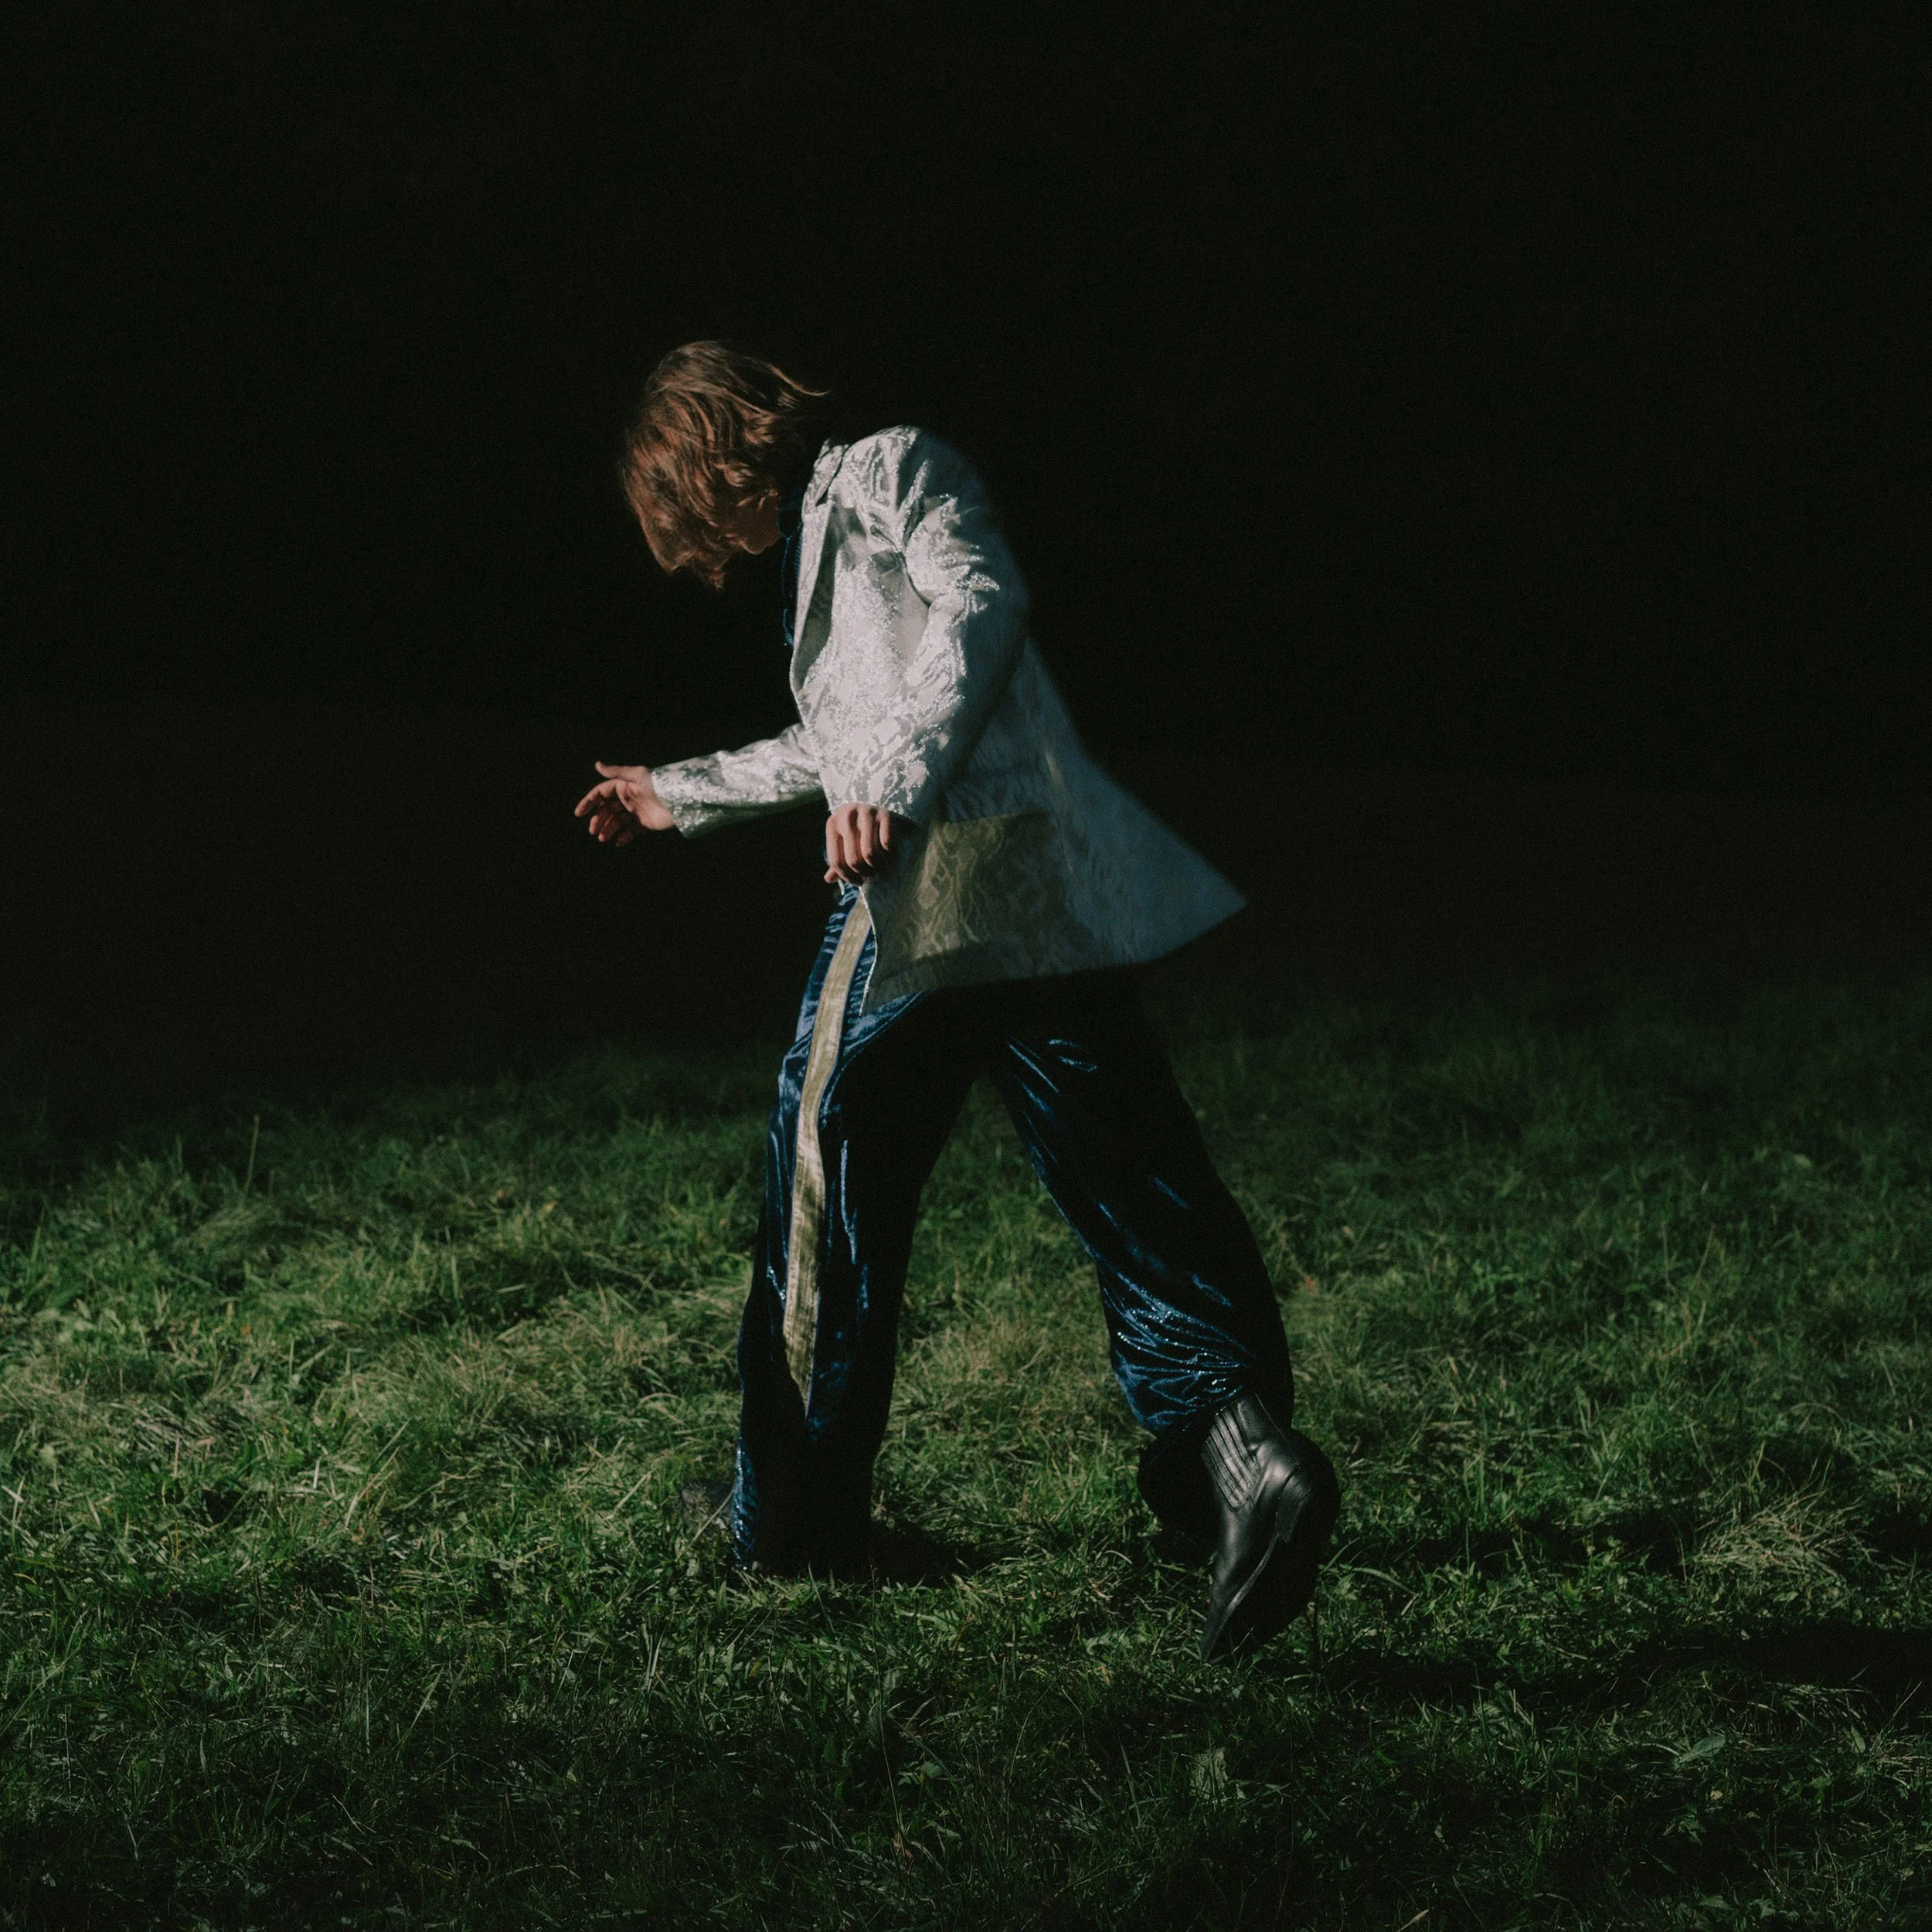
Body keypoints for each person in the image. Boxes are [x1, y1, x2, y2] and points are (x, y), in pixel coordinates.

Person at [575, 341, 1338, 1660]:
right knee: (1131, 1174)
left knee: (824, 1165)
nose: (714, 547)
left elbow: (982, 603)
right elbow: (838, 739)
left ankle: (794, 1516)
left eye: (695, 513)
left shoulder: (884, 469)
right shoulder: (825, 535)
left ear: (715, 457)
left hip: (942, 877)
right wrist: (679, 790)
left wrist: (899, 780)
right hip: (1040, 890)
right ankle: (1242, 1466)